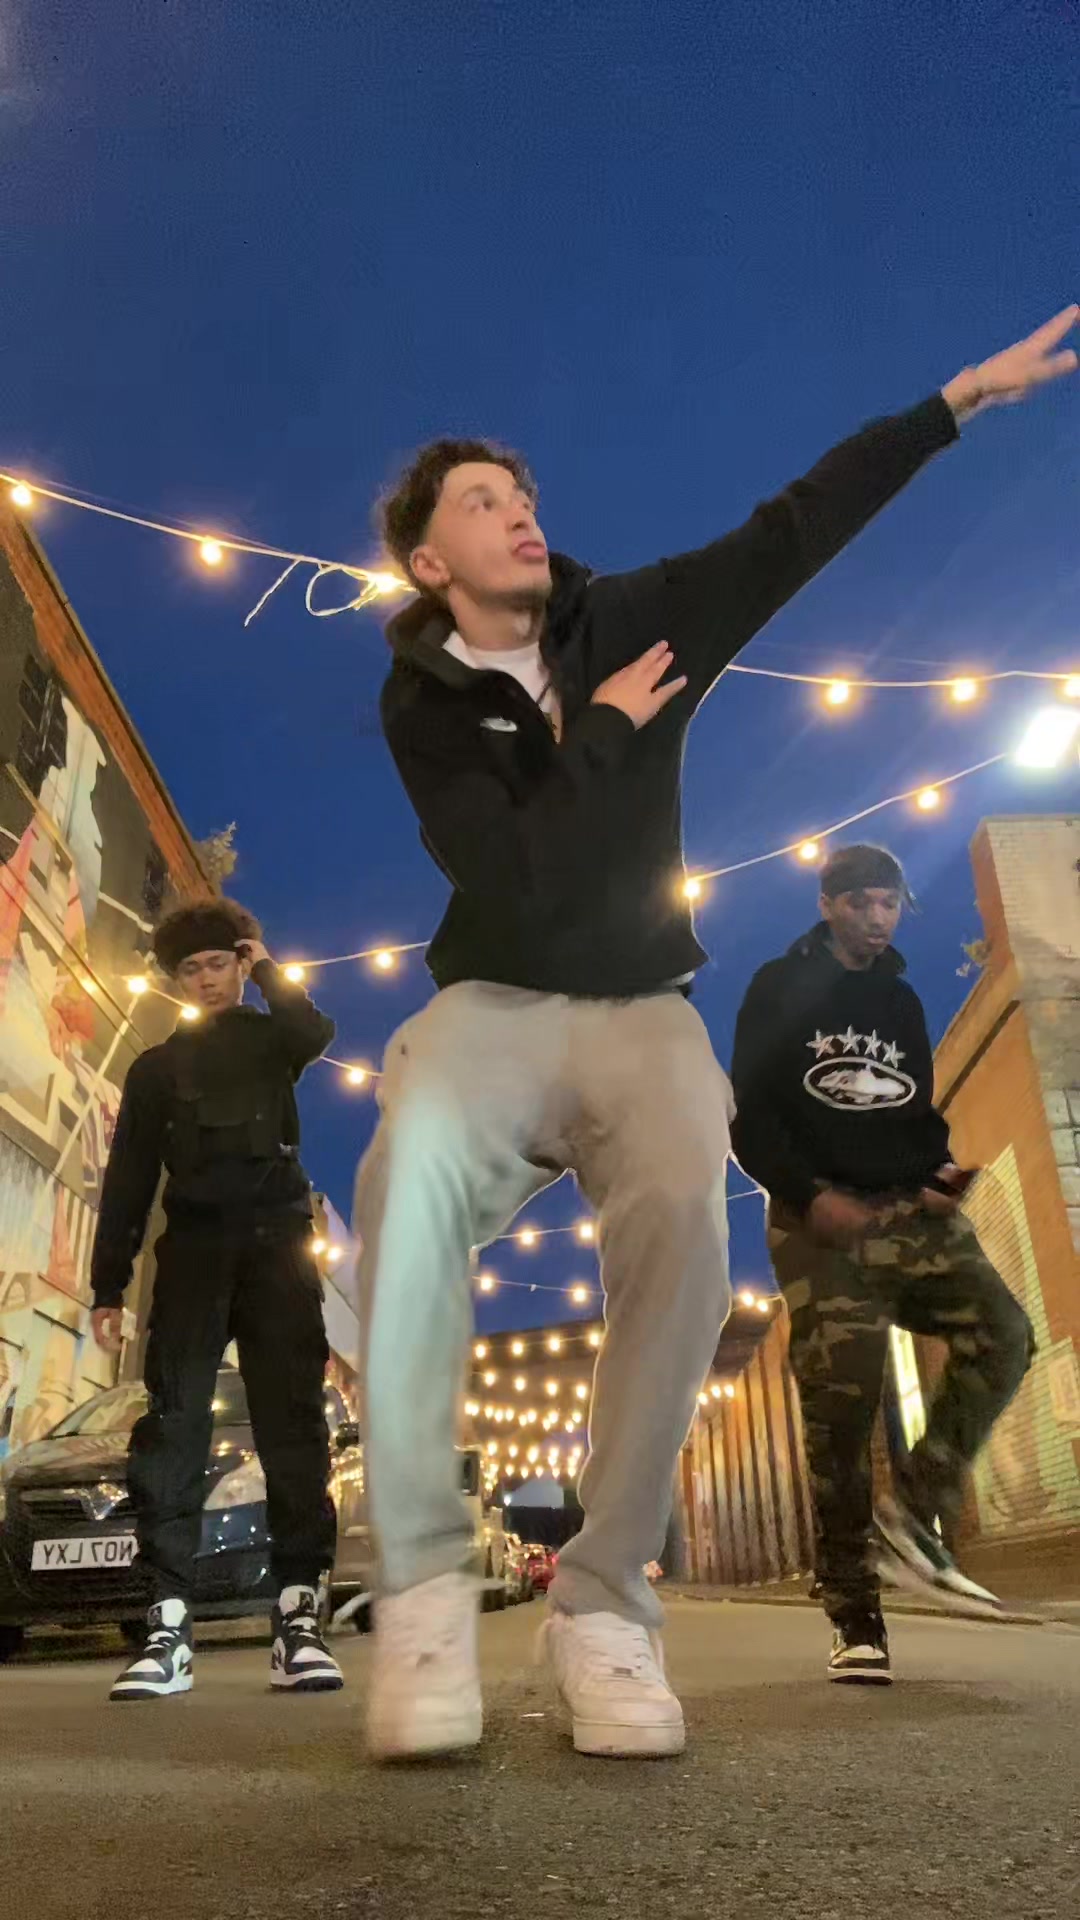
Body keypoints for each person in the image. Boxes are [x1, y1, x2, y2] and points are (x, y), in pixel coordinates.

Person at [355, 308, 1075, 1758]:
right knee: (406, 1173)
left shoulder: (637, 621)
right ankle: (423, 1591)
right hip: (495, 1005)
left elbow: (790, 530)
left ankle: (603, 1603)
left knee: (684, 1213)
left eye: (525, 493)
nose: (522, 512)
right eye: (484, 503)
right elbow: (513, 876)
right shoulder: (419, 700)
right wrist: (604, 737)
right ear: (430, 562)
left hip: (641, 1005)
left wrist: (953, 404)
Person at [730, 844, 1035, 1684]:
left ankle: (916, 1510)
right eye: (860, 902)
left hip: (906, 1208)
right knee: (842, 1405)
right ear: (827, 905)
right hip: (818, 1220)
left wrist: (939, 1172)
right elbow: (749, 1116)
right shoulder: (780, 986)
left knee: (1004, 1334)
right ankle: (854, 1613)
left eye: (889, 903)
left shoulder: (899, 999)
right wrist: (807, 1193)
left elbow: (913, 1111)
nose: (876, 917)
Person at [90, 899, 344, 1701]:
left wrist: (269, 967)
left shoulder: (274, 1041)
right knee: (172, 1429)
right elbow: (130, 1179)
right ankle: (166, 1627)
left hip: (278, 1247)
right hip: (193, 1253)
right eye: (190, 970)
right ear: (175, 981)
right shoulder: (154, 1070)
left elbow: (314, 1031)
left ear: (239, 964)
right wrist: (107, 1284)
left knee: (293, 1426)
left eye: (218, 964)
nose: (205, 980)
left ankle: (297, 1617)